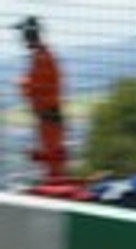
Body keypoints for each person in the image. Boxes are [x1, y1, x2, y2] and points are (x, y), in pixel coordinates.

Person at [17, 16, 66, 181]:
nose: (22, 40)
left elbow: (34, 87)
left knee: (54, 166)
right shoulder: (41, 57)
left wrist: (24, 83)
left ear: (31, 35)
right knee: (51, 160)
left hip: (48, 115)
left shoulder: (42, 58)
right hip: (46, 116)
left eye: (24, 35)